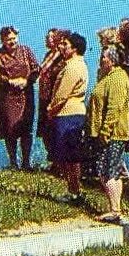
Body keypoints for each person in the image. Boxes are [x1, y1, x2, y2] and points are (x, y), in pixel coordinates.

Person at [87, 44, 129, 223]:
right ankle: (115, 207)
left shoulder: (118, 79)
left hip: (113, 134)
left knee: (107, 170)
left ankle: (115, 209)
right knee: (111, 169)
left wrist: (105, 131)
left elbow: (114, 108)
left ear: (111, 60)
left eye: (103, 57)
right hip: (110, 133)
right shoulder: (111, 77)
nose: (100, 60)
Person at [45, 31, 90, 200]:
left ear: (75, 48)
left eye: (65, 44)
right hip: (71, 113)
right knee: (69, 155)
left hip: (68, 113)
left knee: (69, 155)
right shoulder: (75, 64)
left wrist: (51, 109)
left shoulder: (73, 66)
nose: (61, 47)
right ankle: (73, 189)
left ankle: (74, 190)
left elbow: (63, 94)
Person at [0, 26, 40, 170]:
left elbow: (36, 69)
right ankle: (13, 161)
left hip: (26, 95)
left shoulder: (26, 51)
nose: (12, 42)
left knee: (26, 128)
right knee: (10, 129)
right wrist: (9, 81)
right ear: (3, 40)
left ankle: (26, 162)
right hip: (8, 96)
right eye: (8, 39)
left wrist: (26, 81)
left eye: (14, 38)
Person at [35, 29, 65, 170]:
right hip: (44, 97)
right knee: (46, 131)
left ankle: (59, 162)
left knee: (54, 130)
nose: (47, 40)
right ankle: (52, 159)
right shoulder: (48, 55)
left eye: (51, 37)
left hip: (53, 97)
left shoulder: (61, 58)